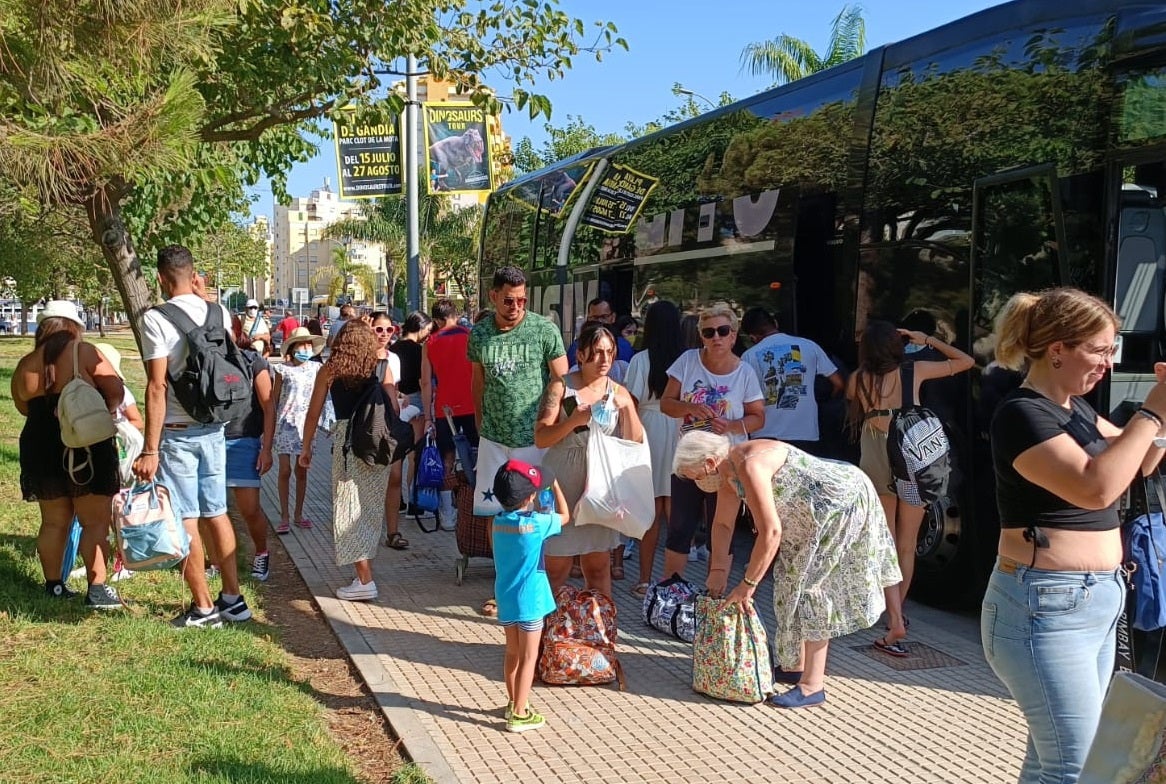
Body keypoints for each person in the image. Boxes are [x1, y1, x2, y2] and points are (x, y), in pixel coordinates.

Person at [982, 288, 1166, 783]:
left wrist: (1161, 417)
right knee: (1078, 767)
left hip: (1092, 603)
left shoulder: (1076, 408)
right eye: (1100, 350)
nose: (1109, 363)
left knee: (1051, 763)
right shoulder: (1022, 413)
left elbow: (1140, 462)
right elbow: (1096, 486)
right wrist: (1150, 411)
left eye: (1113, 350)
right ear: (1057, 349)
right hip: (1042, 607)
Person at [673, 430, 904, 708]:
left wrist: (747, 585)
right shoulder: (728, 474)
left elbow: (770, 532)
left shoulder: (749, 463)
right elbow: (722, 525)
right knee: (786, 583)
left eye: (696, 476)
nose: (698, 484)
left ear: (709, 463)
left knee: (812, 589)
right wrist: (718, 570)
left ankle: (812, 685)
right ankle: (794, 664)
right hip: (809, 519)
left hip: (840, 503)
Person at [134, 246, 250, 628]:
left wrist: (150, 449)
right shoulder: (218, 311)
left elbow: (155, 387)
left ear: (161, 279)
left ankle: (202, 608)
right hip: (215, 428)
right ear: (194, 273)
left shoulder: (156, 319)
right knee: (217, 512)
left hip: (179, 433)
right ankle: (234, 599)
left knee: (185, 518)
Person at [846, 320, 973, 617]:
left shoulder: (857, 379)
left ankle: (880, 606)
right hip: (911, 450)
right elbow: (965, 362)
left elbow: (853, 399)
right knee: (906, 543)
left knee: (885, 538)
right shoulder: (913, 370)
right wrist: (926, 338)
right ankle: (896, 613)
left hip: (875, 452)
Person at [469, 265, 567, 618]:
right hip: (494, 438)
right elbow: (477, 381)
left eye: (522, 300)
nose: (516, 307)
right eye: (509, 300)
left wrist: (549, 416)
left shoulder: (543, 329)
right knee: (496, 514)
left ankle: (536, 585)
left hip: (532, 439)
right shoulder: (479, 334)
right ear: (493, 296)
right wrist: (480, 422)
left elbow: (561, 376)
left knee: (536, 513)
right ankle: (503, 585)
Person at [13, 301, 124, 608]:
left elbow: (22, 406)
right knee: (94, 522)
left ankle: (53, 585)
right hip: (85, 442)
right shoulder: (84, 352)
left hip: (39, 443)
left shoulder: (26, 363)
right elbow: (115, 391)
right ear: (74, 326)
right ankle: (97, 588)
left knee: (52, 522)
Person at [535, 323, 644, 598]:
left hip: (599, 487)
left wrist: (629, 407)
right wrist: (572, 421)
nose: (604, 360)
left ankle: (601, 635)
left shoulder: (618, 391)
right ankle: (547, 635)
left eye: (609, 352)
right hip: (562, 484)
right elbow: (541, 437)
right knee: (556, 566)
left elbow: (634, 442)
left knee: (598, 567)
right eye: (596, 353)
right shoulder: (561, 387)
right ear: (581, 355)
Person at [659, 303, 765, 582]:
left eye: (722, 331)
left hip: (725, 463)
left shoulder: (745, 373)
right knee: (680, 527)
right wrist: (689, 408)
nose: (716, 337)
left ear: (733, 335)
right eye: (709, 332)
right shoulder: (687, 361)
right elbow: (666, 404)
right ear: (701, 336)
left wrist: (730, 426)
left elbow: (758, 418)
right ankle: (671, 590)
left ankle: (714, 593)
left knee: (723, 529)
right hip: (689, 460)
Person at [299, 320, 396, 601]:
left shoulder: (330, 370)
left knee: (347, 508)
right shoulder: (380, 367)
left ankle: (365, 579)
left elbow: (313, 413)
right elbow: (392, 407)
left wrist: (307, 447)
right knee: (369, 508)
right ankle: (363, 572)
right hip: (377, 444)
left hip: (348, 443)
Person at [490, 459, 570, 733]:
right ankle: (521, 713)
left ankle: (513, 701)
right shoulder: (537, 524)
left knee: (512, 653)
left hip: (506, 596)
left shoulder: (497, 523)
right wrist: (557, 486)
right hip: (531, 600)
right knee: (529, 657)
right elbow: (566, 516)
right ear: (531, 496)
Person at [623, 300, 683, 596]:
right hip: (681, 432)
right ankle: (674, 581)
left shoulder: (640, 360)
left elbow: (629, 403)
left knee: (651, 511)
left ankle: (645, 579)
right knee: (677, 508)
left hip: (648, 431)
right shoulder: (688, 360)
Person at [740, 307, 843, 456]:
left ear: (752, 336)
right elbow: (839, 383)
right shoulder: (809, 346)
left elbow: (745, 399)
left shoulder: (748, 357)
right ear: (775, 323)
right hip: (805, 433)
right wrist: (820, 405)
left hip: (765, 435)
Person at [224, 316, 275, 582]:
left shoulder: (253, 361)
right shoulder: (199, 359)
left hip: (243, 440)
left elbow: (269, 406)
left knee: (249, 509)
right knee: (210, 510)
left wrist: (266, 448)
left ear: (235, 331)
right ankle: (215, 559)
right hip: (209, 439)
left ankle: (261, 552)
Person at [421, 297, 477, 528]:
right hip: (474, 406)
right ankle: (478, 504)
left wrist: (427, 417)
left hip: (445, 409)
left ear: (436, 319)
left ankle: (447, 513)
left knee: (447, 459)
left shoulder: (430, 343)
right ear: (455, 315)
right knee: (478, 456)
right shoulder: (471, 337)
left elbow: (425, 382)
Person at [93, 342, 144, 582]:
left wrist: (117, 426)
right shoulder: (86, 392)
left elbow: (137, 421)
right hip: (95, 454)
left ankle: (127, 559)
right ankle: (101, 559)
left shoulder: (122, 392)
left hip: (120, 457)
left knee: (120, 508)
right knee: (99, 511)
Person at [272, 327, 326, 533]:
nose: (305, 348)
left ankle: (298, 513)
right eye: (301, 344)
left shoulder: (317, 369)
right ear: (293, 347)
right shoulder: (282, 370)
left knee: (301, 471)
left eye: (308, 344)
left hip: (306, 426)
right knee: (284, 470)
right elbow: (274, 399)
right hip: (285, 424)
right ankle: (284, 515)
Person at [371, 312, 411, 550]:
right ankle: (369, 530)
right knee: (372, 478)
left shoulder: (393, 359)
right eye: (379, 329)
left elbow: (393, 389)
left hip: (389, 421)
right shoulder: (361, 356)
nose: (384, 334)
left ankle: (393, 531)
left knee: (395, 476)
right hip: (366, 423)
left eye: (389, 330)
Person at [391, 310, 433, 516]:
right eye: (428, 329)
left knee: (396, 453)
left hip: (396, 402)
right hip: (416, 400)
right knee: (415, 456)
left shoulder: (392, 349)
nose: (428, 334)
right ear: (421, 327)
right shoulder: (420, 351)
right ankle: (414, 502)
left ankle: (396, 499)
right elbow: (422, 381)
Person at [566, 298, 634, 366]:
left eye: (604, 317)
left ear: (613, 317)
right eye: (595, 318)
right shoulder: (577, 346)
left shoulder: (624, 345)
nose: (600, 321)